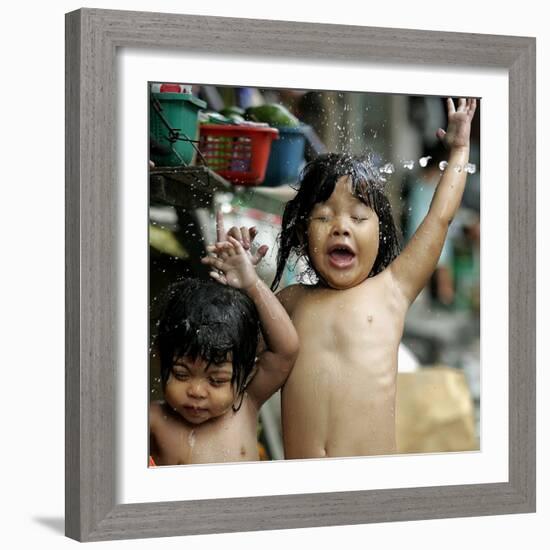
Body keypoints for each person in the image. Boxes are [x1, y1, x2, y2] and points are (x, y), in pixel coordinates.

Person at [230, 97, 476, 459]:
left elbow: (440, 217)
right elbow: (241, 373)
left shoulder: (393, 290)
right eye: (324, 217)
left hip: (370, 484)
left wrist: (458, 151)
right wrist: (242, 279)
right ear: (301, 234)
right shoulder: (288, 300)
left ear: (381, 235)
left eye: (358, 219)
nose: (341, 228)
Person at [149, 240, 299, 465]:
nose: (197, 391)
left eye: (217, 380)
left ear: (247, 373)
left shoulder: (245, 405)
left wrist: (252, 285)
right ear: (162, 359)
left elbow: (286, 350)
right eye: (181, 374)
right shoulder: (152, 419)